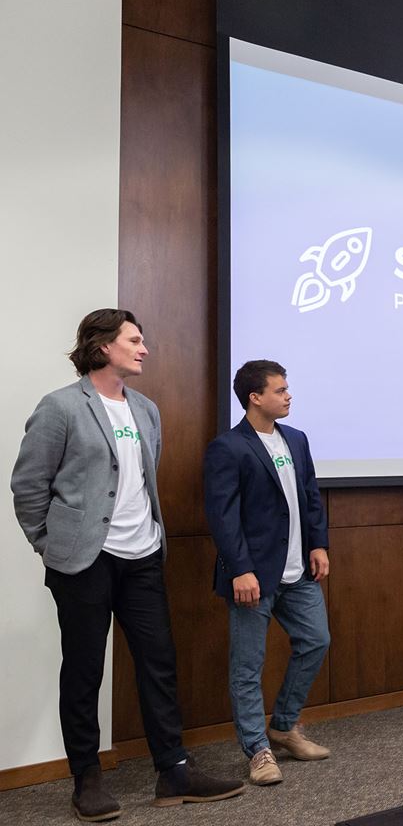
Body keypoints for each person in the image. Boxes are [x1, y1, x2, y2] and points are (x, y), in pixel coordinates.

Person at [10, 309, 244, 821]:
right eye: (134, 341)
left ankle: (174, 770)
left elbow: (142, 480)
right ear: (102, 347)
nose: (144, 349)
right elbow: (28, 485)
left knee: (159, 664)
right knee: (84, 668)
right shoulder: (61, 408)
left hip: (143, 555)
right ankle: (87, 778)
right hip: (83, 562)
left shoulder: (146, 409)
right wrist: (49, 545)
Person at [203, 360, 331, 785]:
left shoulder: (296, 439)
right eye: (280, 390)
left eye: (287, 388)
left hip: (298, 572)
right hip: (253, 578)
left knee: (316, 641)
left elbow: (311, 497)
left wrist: (318, 543)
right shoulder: (229, 447)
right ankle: (258, 751)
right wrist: (240, 569)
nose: (288, 395)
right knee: (247, 666)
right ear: (255, 397)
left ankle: (283, 726)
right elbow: (223, 516)